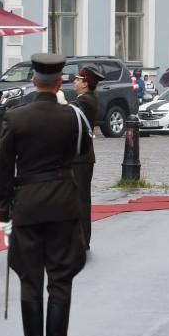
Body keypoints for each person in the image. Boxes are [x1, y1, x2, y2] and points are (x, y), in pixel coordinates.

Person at [0, 53, 91, 336]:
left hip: (27, 207)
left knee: (30, 280)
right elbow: (80, 153)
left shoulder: (15, 117)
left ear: (34, 80)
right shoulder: (73, 117)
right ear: (60, 81)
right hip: (63, 204)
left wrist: (3, 209)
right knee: (61, 281)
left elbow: (4, 168)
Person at [72, 65, 103, 250]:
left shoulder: (85, 102)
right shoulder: (85, 99)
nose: (74, 82)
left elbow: (69, 114)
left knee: (81, 199)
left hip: (80, 158)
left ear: (85, 84)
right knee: (79, 199)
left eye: (78, 79)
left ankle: (83, 240)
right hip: (81, 157)